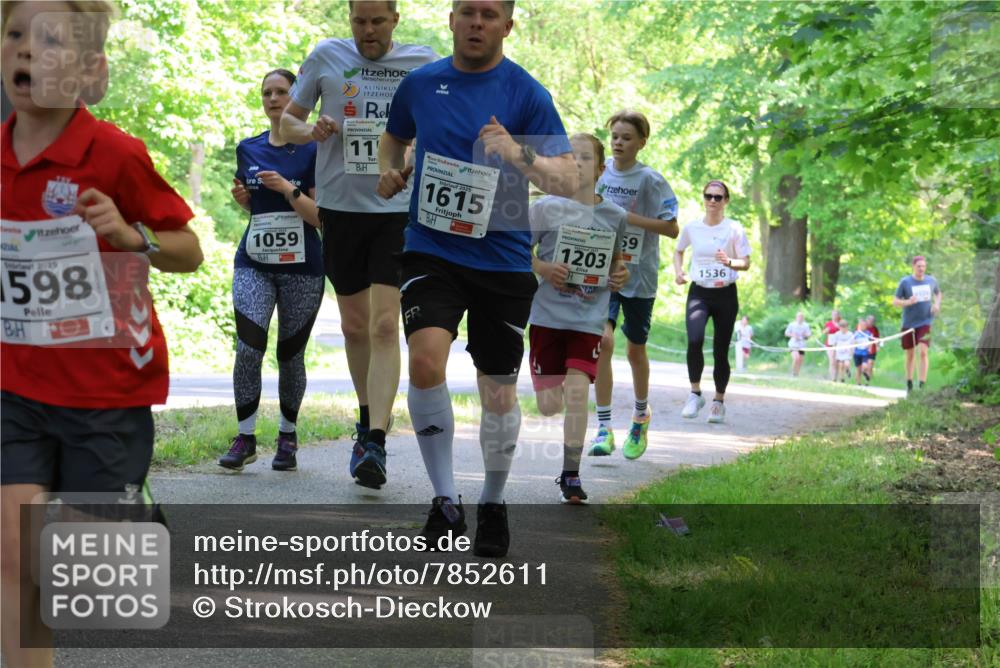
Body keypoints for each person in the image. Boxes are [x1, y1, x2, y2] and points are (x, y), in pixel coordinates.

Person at [1, 3, 203, 665]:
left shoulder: (115, 154)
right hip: (15, 387)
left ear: (91, 71)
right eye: (14, 36)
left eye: (50, 41)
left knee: (82, 578)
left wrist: (128, 236)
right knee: (12, 558)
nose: (26, 51)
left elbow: (187, 249)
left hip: (105, 395)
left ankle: (128, 508)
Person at [377, 0, 578, 557]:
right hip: (431, 249)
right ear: (451, 20)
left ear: (507, 26)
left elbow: (567, 177)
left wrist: (519, 154)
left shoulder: (526, 93)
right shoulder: (420, 84)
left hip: (503, 257)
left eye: (490, 15)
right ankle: (445, 501)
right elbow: (393, 139)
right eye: (467, 12)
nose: (477, 23)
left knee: (497, 391)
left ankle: (492, 501)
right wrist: (388, 170)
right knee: (424, 360)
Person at [280, 0, 438, 488]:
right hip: (340, 211)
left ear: (395, 20)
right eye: (359, 21)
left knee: (386, 324)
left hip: (395, 210)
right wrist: (313, 129)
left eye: (377, 21)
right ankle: (366, 416)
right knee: (353, 327)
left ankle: (375, 440)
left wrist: (413, 153)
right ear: (350, 20)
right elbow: (285, 123)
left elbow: (440, 126)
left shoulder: (422, 62)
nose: (368, 31)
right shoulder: (327, 55)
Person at [218, 69, 323, 473]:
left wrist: (286, 189)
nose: (274, 99)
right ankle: (245, 437)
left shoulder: (315, 149)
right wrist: (246, 200)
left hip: (303, 267)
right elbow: (257, 210)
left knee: (290, 355)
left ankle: (287, 437)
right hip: (255, 262)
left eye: (282, 92)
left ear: (298, 98)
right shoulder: (248, 148)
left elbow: (320, 219)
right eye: (267, 93)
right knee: (248, 348)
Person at [528, 133, 628, 503]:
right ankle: (568, 465)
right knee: (549, 405)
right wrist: (543, 266)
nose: (577, 163)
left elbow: (618, 263)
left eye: (586, 158)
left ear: (602, 169)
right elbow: (520, 252)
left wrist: (622, 275)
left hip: (588, 320)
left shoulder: (614, 216)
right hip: (546, 317)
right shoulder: (544, 208)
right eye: (570, 157)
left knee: (576, 392)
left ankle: (571, 474)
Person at [588, 110, 678, 459]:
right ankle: (604, 427)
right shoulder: (600, 175)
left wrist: (626, 218)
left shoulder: (650, 180)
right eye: (614, 137)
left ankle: (640, 415)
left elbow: (671, 228)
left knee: (634, 349)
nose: (619, 143)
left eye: (626, 138)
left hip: (640, 274)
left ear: (641, 142)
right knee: (603, 342)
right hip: (605, 270)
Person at [674, 180, 751, 424]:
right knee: (694, 340)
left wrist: (729, 261)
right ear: (703, 198)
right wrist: (678, 272)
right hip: (699, 292)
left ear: (726, 201)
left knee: (720, 349)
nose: (713, 201)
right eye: (709, 196)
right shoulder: (692, 227)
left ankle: (718, 401)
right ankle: (695, 394)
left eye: (718, 197)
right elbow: (679, 250)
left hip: (725, 294)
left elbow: (746, 262)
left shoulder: (735, 229)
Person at [893, 255, 942, 394]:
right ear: (913, 267)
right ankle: (909, 383)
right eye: (919, 266)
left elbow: (938, 293)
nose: (921, 269)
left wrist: (936, 304)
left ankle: (921, 385)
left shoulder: (931, 280)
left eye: (923, 266)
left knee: (923, 352)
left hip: (926, 321)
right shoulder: (905, 282)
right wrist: (907, 302)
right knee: (910, 354)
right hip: (909, 323)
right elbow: (895, 301)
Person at [784, 311, 812, 377]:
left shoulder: (806, 325)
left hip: (802, 345)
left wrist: (805, 335)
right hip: (793, 344)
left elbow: (809, 334)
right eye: (799, 316)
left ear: (803, 318)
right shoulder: (792, 324)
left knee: (800, 360)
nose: (800, 318)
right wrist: (793, 335)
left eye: (801, 316)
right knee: (796, 358)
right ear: (796, 317)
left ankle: (797, 373)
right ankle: (793, 373)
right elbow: (786, 333)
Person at [852, 318, 873, 385]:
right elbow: (852, 342)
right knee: (858, 369)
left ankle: (865, 374)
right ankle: (858, 382)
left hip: (865, 353)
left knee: (865, 366)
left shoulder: (868, 333)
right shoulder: (856, 333)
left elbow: (872, 341)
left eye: (864, 325)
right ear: (859, 325)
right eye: (862, 325)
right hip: (857, 353)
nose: (863, 326)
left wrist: (869, 348)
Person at [823, 308, 841, 381]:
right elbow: (824, 332)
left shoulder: (841, 323)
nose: (834, 316)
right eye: (833, 314)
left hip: (839, 344)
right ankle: (832, 378)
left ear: (838, 315)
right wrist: (826, 330)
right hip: (829, 344)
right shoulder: (828, 323)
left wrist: (839, 327)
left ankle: (835, 377)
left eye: (836, 314)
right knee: (832, 361)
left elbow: (846, 331)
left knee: (837, 362)